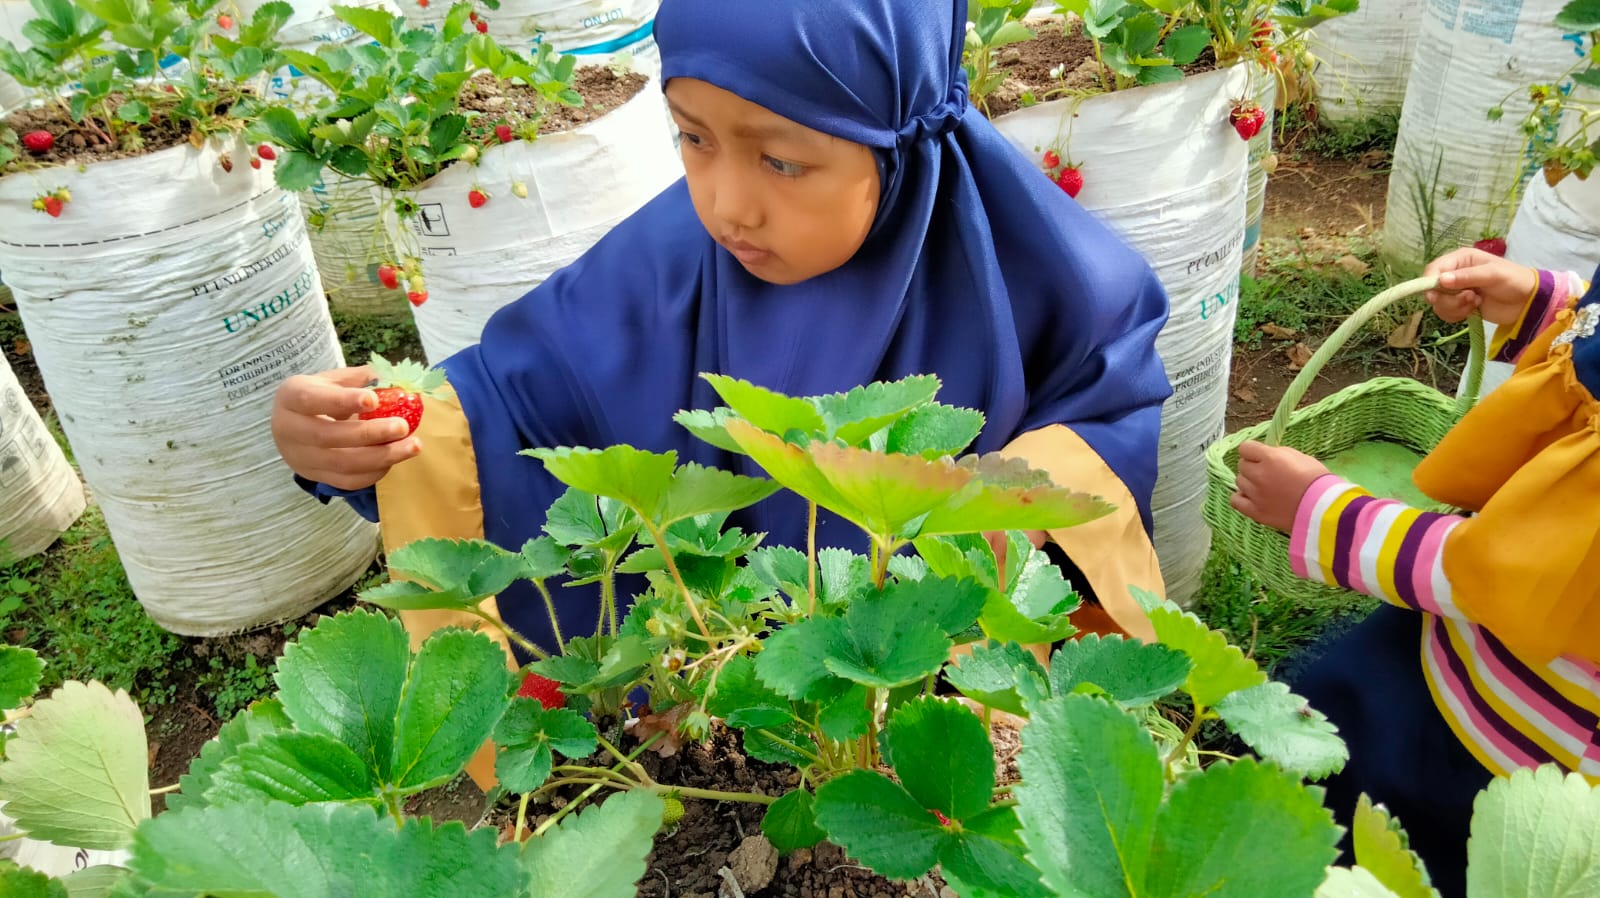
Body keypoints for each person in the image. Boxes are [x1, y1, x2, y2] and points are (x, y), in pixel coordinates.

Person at [272, 0, 1173, 667]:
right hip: (728, 688)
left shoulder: (1046, 281)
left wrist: (1018, 500)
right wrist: (370, 434)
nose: (728, 204)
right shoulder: (667, 261)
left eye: (782, 159)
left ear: (898, 138)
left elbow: (1106, 416)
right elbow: (507, 409)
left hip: (934, 709)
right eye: (693, 139)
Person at [1232, 246, 1600, 898]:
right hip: (1450, 645)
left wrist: (1325, 514)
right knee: (1330, 720)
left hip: (1508, 749)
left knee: (1397, 858)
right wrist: (1548, 304)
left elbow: (1493, 573)